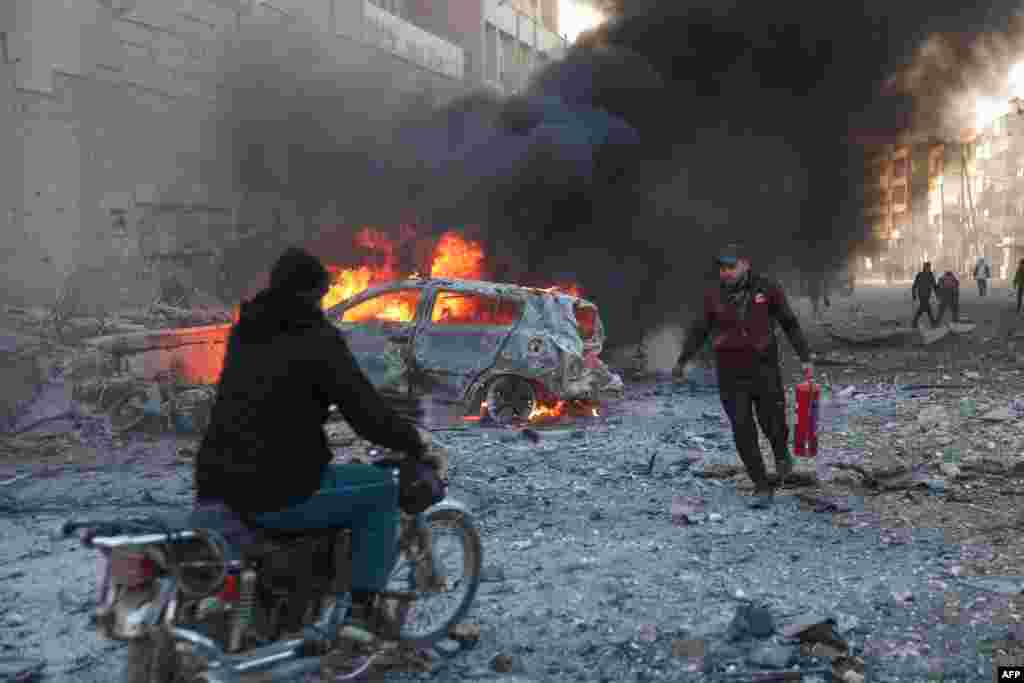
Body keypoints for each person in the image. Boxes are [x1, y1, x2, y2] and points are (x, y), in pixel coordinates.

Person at [195, 247, 438, 631]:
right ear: (312, 294)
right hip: (276, 487)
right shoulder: (317, 339)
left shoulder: (246, 330)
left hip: (215, 481)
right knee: (381, 492)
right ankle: (361, 614)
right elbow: (366, 414)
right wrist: (412, 442)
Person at [673, 243, 813, 508]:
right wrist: (682, 360)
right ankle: (761, 485)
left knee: (773, 423)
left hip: (764, 368)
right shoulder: (713, 295)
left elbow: (789, 322)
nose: (725, 272)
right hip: (730, 372)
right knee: (742, 428)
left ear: (745, 264)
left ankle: (781, 454)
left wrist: (805, 357)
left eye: (731, 266)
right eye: (722, 268)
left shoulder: (767, 288)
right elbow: (699, 330)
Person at [911, 262, 938, 328]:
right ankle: (932, 322)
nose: (929, 268)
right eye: (928, 267)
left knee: (924, 308)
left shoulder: (930, 275)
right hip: (921, 294)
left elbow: (934, 285)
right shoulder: (920, 275)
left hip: (927, 294)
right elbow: (915, 285)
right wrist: (914, 294)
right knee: (925, 307)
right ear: (925, 267)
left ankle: (915, 322)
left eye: (929, 267)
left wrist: (937, 293)